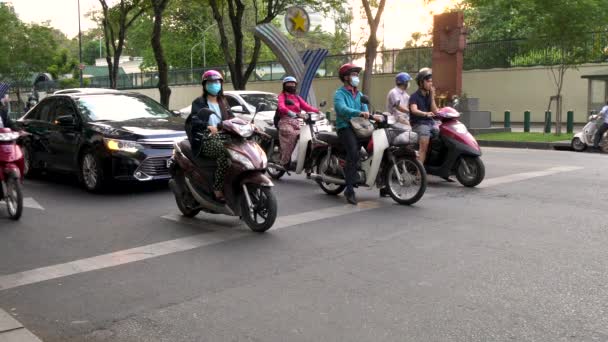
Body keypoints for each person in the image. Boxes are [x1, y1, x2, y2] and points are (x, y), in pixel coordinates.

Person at [187, 70, 234, 202]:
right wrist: (207, 126)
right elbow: (195, 120)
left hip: (225, 136)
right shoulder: (199, 102)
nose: (215, 84)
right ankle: (217, 188)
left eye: (217, 82)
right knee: (225, 155)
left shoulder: (223, 102)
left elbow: (231, 119)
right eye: (211, 82)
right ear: (205, 85)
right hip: (206, 139)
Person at [334, 63, 369, 205]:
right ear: (346, 77)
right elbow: (341, 109)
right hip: (345, 126)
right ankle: (349, 190)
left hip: (360, 126)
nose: (356, 77)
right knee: (353, 152)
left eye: (357, 75)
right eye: (354, 75)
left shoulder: (359, 94)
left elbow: (365, 108)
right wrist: (359, 112)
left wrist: (374, 115)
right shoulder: (339, 94)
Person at [276, 76, 319, 168]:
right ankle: (285, 160)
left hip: (297, 122)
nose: (291, 85)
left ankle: (303, 160)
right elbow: (281, 107)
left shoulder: (297, 97)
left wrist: (318, 111)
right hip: (285, 121)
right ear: (284, 85)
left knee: (308, 137)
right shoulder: (282, 96)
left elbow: (306, 107)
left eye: (293, 84)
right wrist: (292, 113)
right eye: (289, 83)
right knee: (291, 134)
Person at [409, 67, 438, 165]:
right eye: (428, 81)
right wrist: (425, 114)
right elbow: (414, 110)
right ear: (421, 83)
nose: (431, 83)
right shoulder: (414, 96)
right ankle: (419, 174)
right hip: (419, 124)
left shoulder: (429, 96)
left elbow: (435, 111)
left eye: (431, 81)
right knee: (423, 147)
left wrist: (432, 97)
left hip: (431, 123)